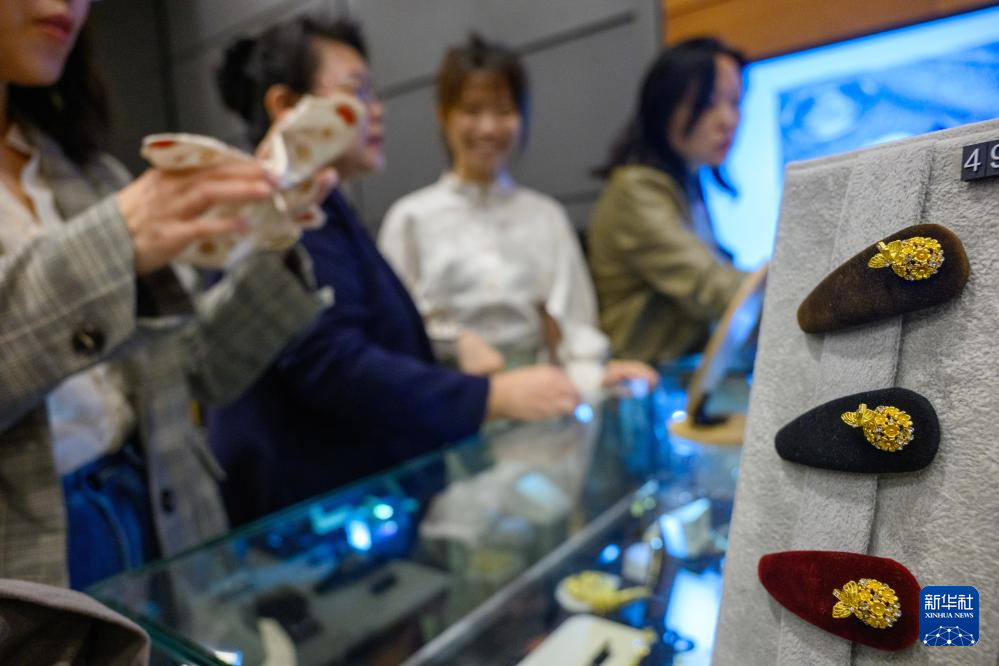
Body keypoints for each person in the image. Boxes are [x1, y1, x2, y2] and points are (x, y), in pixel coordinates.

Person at [0, 0, 333, 588]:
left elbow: (190, 373)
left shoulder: (90, 173)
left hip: (165, 523)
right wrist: (111, 244)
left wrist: (273, 247)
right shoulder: (114, 200)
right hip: (35, 575)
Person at [208, 16, 581, 526]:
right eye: (356, 92)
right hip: (315, 520)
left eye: (374, 94)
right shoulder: (282, 211)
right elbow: (330, 362)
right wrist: (489, 396)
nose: (376, 110)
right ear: (287, 107)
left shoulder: (319, 206)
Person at [379, 33, 657, 396]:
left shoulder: (546, 216)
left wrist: (601, 378)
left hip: (537, 402)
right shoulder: (409, 219)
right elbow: (391, 334)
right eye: (472, 110)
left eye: (504, 110)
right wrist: (452, 342)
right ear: (443, 115)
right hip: (444, 400)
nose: (488, 128)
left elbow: (576, 339)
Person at [587, 38, 750, 365]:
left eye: (735, 102)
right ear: (664, 106)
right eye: (709, 102)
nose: (728, 120)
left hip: (680, 372)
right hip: (648, 379)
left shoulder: (688, 182)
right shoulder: (635, 189)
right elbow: (712, 288)